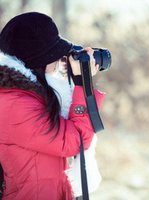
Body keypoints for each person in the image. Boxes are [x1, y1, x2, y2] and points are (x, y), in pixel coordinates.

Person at [0, 12, 105, 200]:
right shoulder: (15, 105)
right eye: (53, 55)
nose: (57, 61)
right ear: (36, 60)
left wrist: (76, 79)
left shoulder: (26, 94)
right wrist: (82, 85)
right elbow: (76, 141)